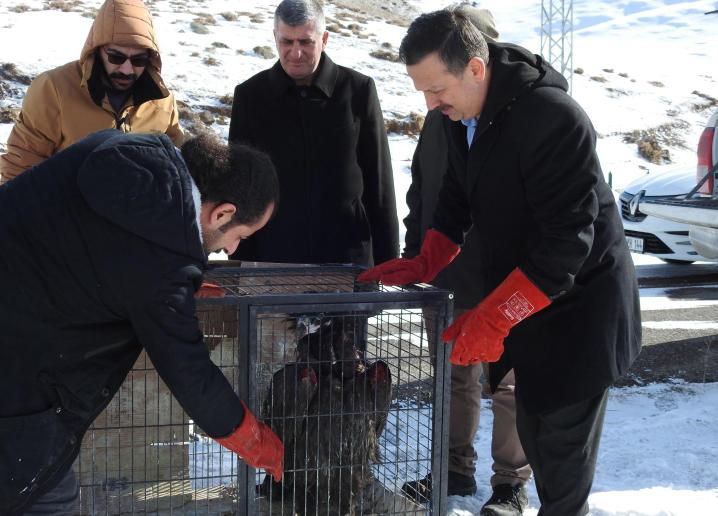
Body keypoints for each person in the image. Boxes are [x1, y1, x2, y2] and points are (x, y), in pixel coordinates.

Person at [359, 7, 641, 516]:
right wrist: (428, 256)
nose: (429, 102)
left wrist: (494, 316)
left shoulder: (553, 119)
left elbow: (565, 245)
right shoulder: (461, 113)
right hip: (533, 306)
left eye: (435, 88)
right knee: (536, 432)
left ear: (475, 67)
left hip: (580, 314)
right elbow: (454, 193)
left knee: (560, 457)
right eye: (421, 90)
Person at [0, 129, 283, 515]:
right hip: (17, 382)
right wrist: (250, 436)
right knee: (46, 496)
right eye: (240, 236)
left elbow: (105, 256)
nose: (231, 249)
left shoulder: (126, 151)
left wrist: (179, 284)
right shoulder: (160, 263)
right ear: (222, 213)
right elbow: (187, 368)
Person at [400, 8, 531, 515]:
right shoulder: (442, 116)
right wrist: (417, 254)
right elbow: (423, 190)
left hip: (503, 277)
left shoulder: (520, 114)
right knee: (454, 378)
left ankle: (510, 483)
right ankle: (454, 470)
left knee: (508, 383)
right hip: (446, 272)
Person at [228, 0, 399, 266]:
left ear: (324, 38)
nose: (296, 53)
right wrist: (240, 262)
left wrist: (389, 261)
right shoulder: (250, 96)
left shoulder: (358, 90)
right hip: (274, 258)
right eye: (287, 42)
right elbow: (239, 184)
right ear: (275, 38)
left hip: (347, 258)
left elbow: (379, 183)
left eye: (305, 42)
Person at [0, 0, 183, 183]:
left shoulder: (162, 100)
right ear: (96, 50)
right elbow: (22, 163)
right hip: (64, 208)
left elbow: (180, 166)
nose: (127, 69)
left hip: (134, 209)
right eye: (116, 57)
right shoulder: (54, 88)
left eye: (139, 60)